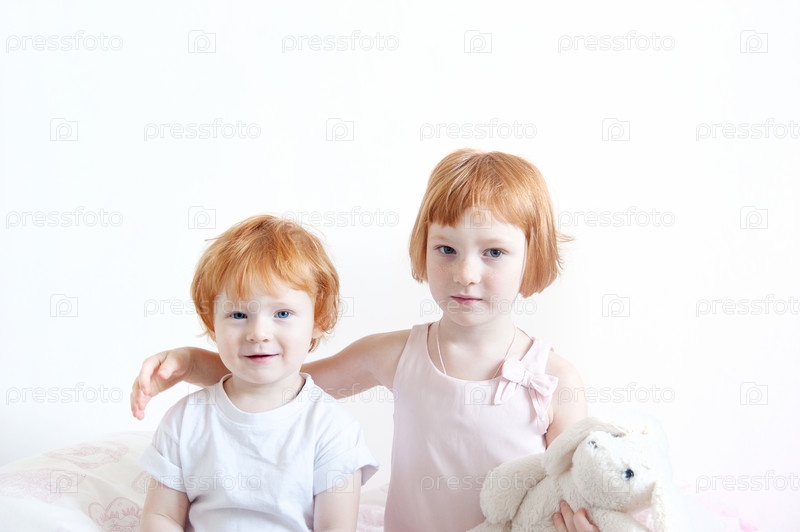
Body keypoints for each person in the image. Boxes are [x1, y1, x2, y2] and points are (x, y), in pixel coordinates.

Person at [132, 150, 597, 532]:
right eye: (446, 249)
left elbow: (575, 492)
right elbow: (276, 379)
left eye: (493, 252)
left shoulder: (556, 379)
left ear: (532, 255)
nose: (465, 273)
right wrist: (192, 363)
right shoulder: (395, 355)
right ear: (423, 248)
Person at [139, 215, 378, 532]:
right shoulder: (185, 420)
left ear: (318, 319)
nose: (258, 333)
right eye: (238, 314)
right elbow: (161, 516)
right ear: (212, 323)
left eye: (282, 313)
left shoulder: (332, 430)